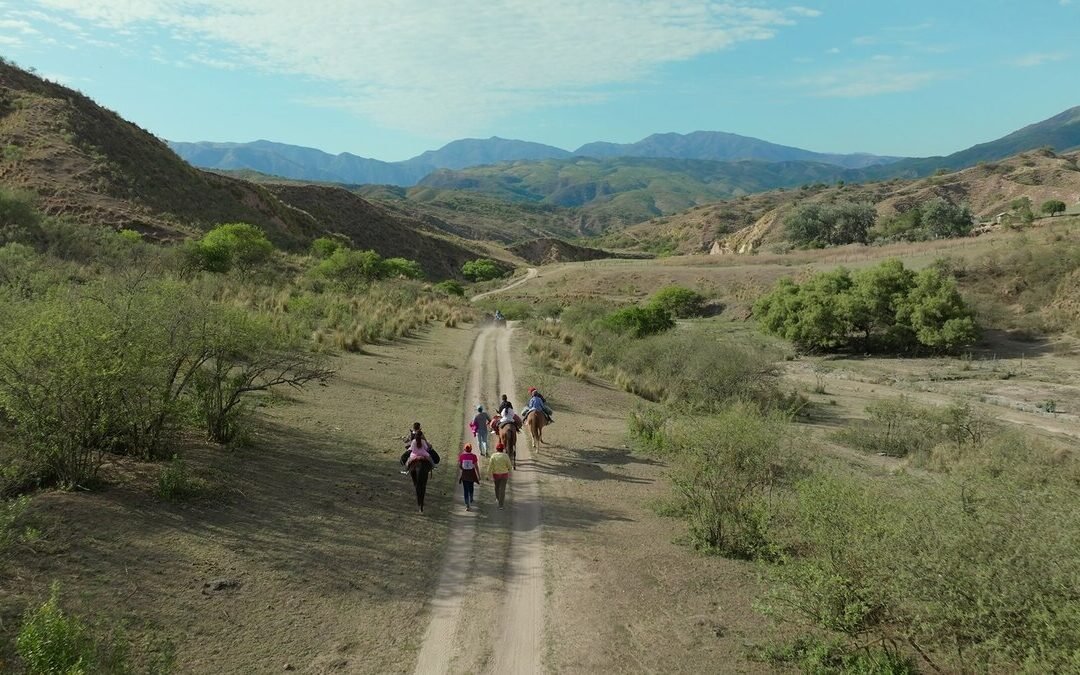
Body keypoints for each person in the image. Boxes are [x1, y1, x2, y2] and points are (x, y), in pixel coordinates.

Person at [488, 442, 513, 509]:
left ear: (496, 449)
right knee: (502, 489)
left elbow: (490, 466)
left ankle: (497, 498)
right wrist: (510, 470)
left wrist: (488, 475)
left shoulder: (493, 456)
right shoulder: (505, 456)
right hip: (504, 475)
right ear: (503, 449)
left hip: (496, 474)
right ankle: (501, 505)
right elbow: (509, 466)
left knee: (496, 487)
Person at [458, 443, 481, 511]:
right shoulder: (474, 456)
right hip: (471, 473)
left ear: (465, 449)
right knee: (471, 486)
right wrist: (478, 475)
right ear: (471, 449)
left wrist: (463, 469)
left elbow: (460, 465)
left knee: (465, 489)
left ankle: (467, 504)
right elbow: (476, 466)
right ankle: (471, 497)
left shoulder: (462, 456)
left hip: (465, 474)